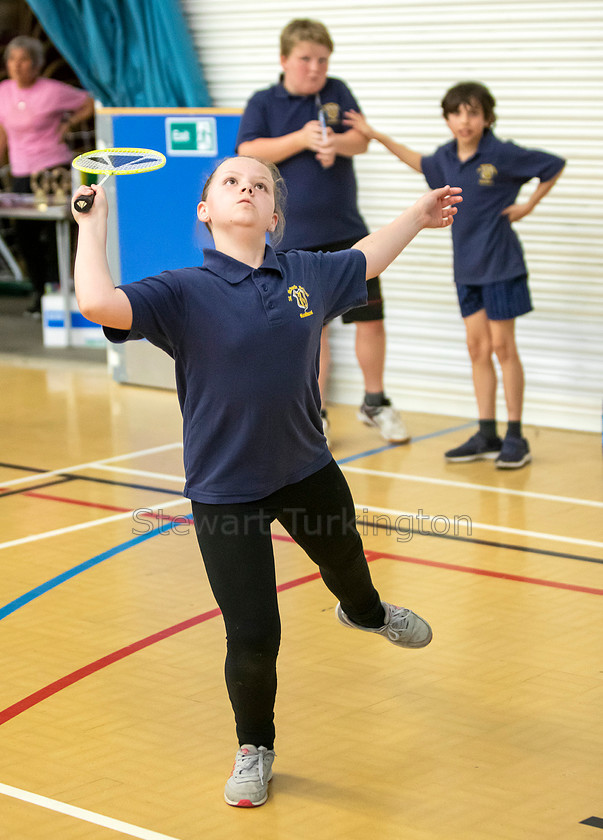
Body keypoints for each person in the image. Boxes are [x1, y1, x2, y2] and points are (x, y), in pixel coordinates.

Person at [72, 155, 461, 807]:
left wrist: (417, 218)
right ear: (206, 212)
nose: (246, 188)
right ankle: (255, 746)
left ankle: (364, 614)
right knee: (254, 637)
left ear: (275, 216)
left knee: (349, 570)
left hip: (308, 471)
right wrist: (94, 225)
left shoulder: (305, 272)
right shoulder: (180, 292)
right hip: (225, 493)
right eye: (230, 182)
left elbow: (364, 259)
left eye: (259, 185)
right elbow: (96, 301)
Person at [345, 82, 565, 469]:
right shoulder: (445, 159)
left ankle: (516, 436)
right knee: (477, 349)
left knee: (502, 348)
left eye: (473, 113)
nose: (465, 121)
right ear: (447, 118)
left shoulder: (501, 153)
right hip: (466, 271)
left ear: (487, 117)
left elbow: (552, 164)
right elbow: (416, 160)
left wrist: (528, 205)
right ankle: (487, 432)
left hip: (501, 266)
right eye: (457, 113)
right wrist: (376, 135)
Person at [236, 19, 409, 446]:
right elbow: (247, 151)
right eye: (306, 60)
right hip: (295, 239)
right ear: (284, 60)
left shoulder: (337, 91)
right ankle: (317, 414)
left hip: (348, 231)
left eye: (323, 60)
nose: (316, 68)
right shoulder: (264, 102)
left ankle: (375, 401)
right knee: (314, 329)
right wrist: (301, 139)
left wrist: (336, 145)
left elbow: (360, 139)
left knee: (371, 319)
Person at [0, 35, 94, 314]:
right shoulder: (4, 91)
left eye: (24, 60)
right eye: (12, 60)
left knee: (56, 232)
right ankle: (39, 292)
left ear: (37, 64)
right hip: (20, 172)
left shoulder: (53, 90)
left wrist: (70, 123)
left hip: (53, 170)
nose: (17, 66)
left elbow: (89, 101)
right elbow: (3, 133)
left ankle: (58, 292)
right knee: (24, 234)